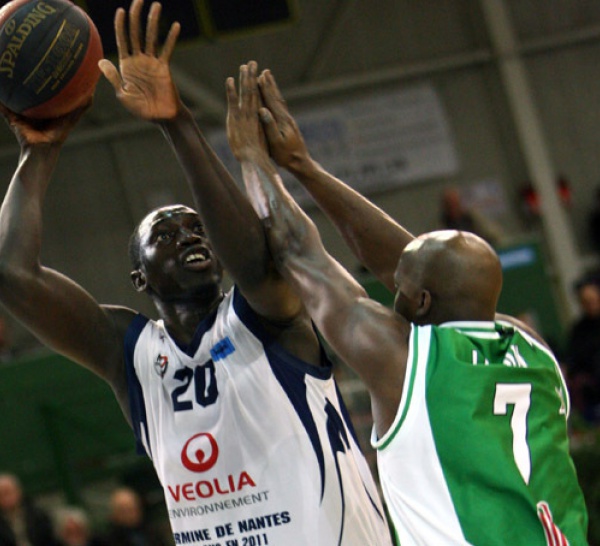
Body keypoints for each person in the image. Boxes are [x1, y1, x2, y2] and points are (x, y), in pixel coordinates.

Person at [0, 1, 391, 545]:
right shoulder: (129, 354)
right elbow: (12, 274)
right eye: (164, 235)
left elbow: (254, 260)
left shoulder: (267, 316)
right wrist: (38, 153)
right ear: (140, 278)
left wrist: (175, 120)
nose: (188, 235)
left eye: (196, 229)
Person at [224, 65, 589, 544]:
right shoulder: (530, 346)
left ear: (419, 300)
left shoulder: (403, 361)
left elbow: (296, 250)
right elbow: (425, 270)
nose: (389, 283)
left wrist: (253, 158)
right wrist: (303, 168)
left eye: (399, 285)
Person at [564, 274, 600, 424]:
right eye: (585, 302)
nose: (590, 304)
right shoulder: (579, 331)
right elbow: (573, 362)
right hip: (594, 397)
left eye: (592, 300)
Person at [0, 473, 60, 546]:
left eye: (8, 492)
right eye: (1, 494)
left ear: (18, 491)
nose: (5, 498)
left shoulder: (39, 515)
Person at [440, 185, 505, 247]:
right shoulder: (443, 226)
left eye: (455, 202)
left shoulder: (473, 217)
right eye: (450, 204)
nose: (453, 207)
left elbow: (493, 234)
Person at [100, 488, 168, 546]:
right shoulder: (109, 540)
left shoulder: (152, 532)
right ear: (116, 513)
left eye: (135, 508)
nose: (133, 514)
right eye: (126, 510)